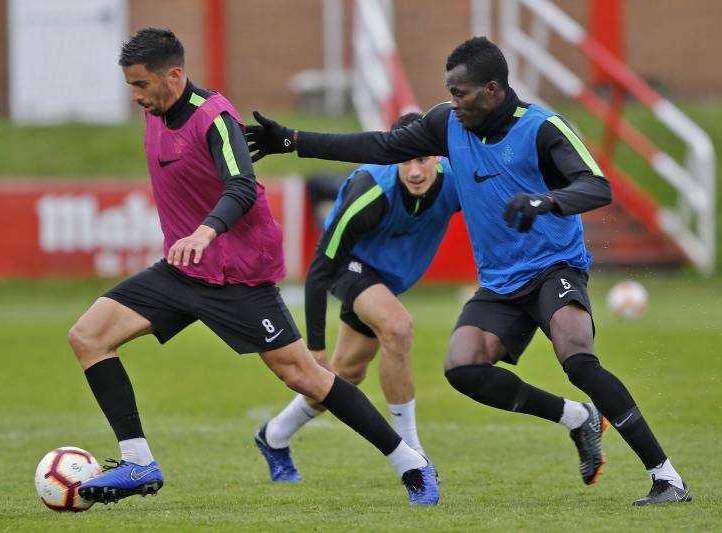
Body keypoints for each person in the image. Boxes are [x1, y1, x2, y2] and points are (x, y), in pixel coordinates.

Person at [245, 36, 690, 506]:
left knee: (576, 357)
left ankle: (667, 477)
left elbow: (596, 186)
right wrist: (294, 141)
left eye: (460, 93)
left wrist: (545, 201)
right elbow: (380, 145)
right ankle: (579, 419)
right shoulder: (446, 125)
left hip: (553, 268)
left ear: (492, 90)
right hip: (499, 283)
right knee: (463, 369)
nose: (452, 102)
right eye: (450, 92)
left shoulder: (542, 127)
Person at [70, 28, 439, 506]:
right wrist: (193, 242)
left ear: (174, 76)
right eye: (131, 86)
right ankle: (138, 462)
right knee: (88, 336)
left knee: (307, 377)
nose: (136, 97)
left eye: (141, 85)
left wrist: (205, 232)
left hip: (237, 275)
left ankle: (411, 463)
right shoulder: (157, 111)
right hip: (182, 270)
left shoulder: (216, 118)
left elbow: (242, 187)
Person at [256, 112, 458, 482]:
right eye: (405, 159)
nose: (414, 171)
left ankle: (274, 435)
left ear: (439, 158)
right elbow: (319, 269)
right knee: (398, 328)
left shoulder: (455, 182)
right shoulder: (369, 191)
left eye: (423, 159)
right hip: (346, 268)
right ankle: (414, 454)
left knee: (345, 376)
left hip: (386, 280)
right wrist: (315, 348)